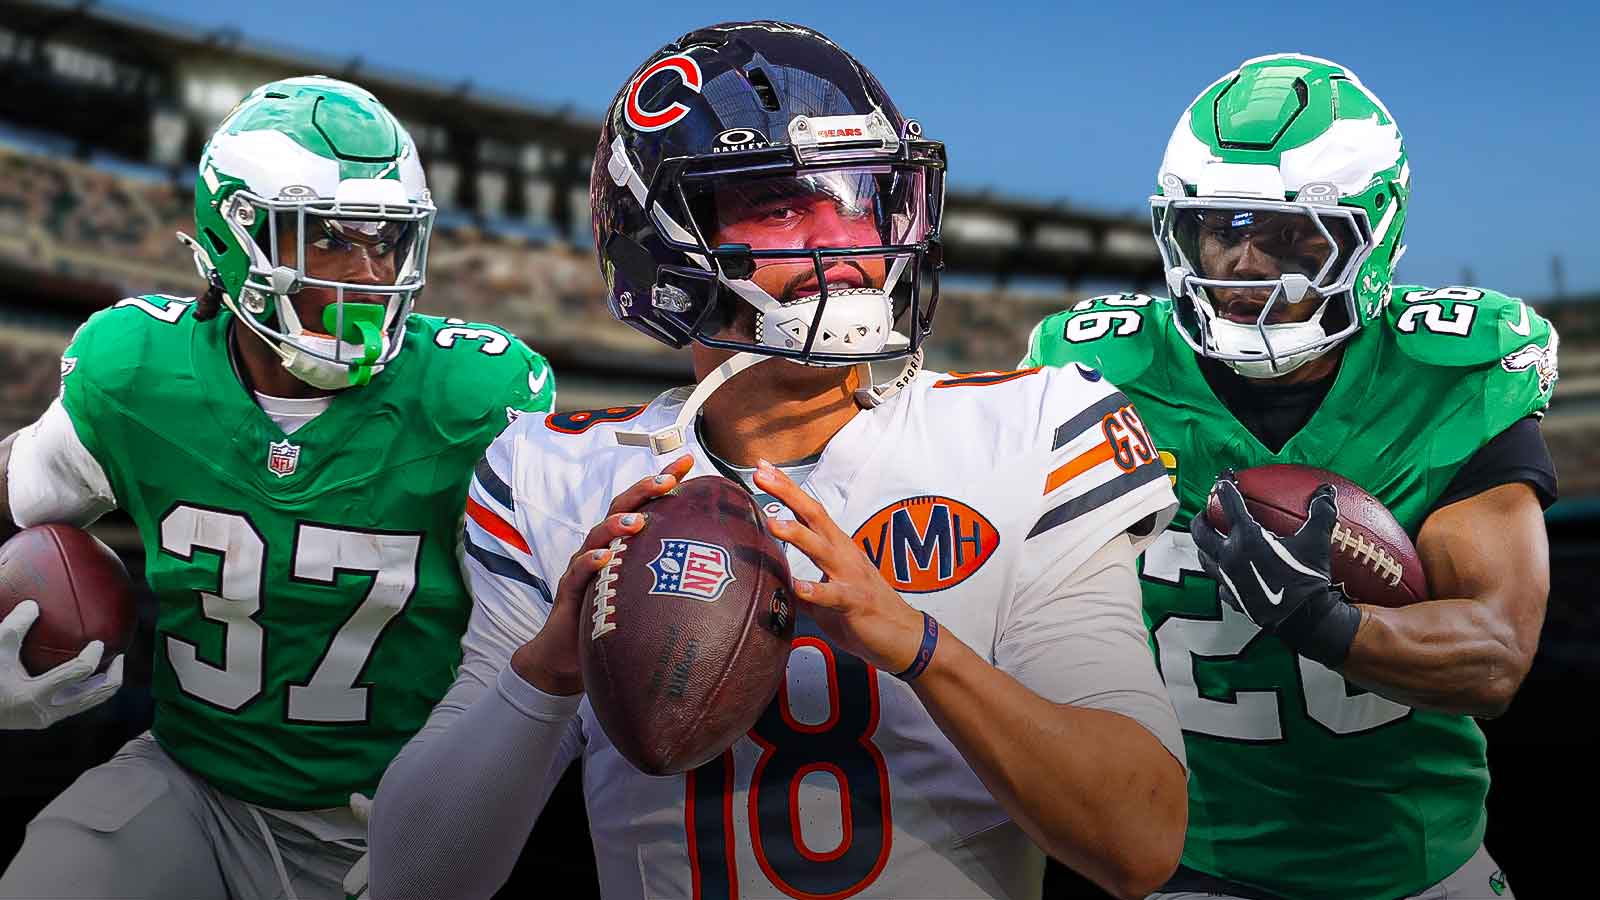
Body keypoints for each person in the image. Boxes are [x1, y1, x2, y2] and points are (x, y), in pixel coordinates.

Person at [370, 21, 1188, 900]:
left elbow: (1138, 842)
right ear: (664, 245)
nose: (847, 243)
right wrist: (549, 672)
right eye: (780, 205)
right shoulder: (554, 475)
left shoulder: (1031, 433)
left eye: (863, 196)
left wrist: (916, 646)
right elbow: (416, 877)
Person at [0, 76, 554, 899]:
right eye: (328, 239)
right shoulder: (136, 373)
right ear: (235, 240)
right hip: (194, 786)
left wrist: (451, 804)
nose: (369, 274)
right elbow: (12, 488)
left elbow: (538, 637)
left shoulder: (476, 396)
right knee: (57, 878)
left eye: (388, 242)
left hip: (394, 803)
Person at [1020, 53, 1557, 900]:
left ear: (1369, 234)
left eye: (1286, 233)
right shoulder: (1096, 368)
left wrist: (1329, 625)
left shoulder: (1444, 372)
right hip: (1171, 856)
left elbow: (1493, 659)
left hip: (1406, 868)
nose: (1239, 262)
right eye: (1218, 227)